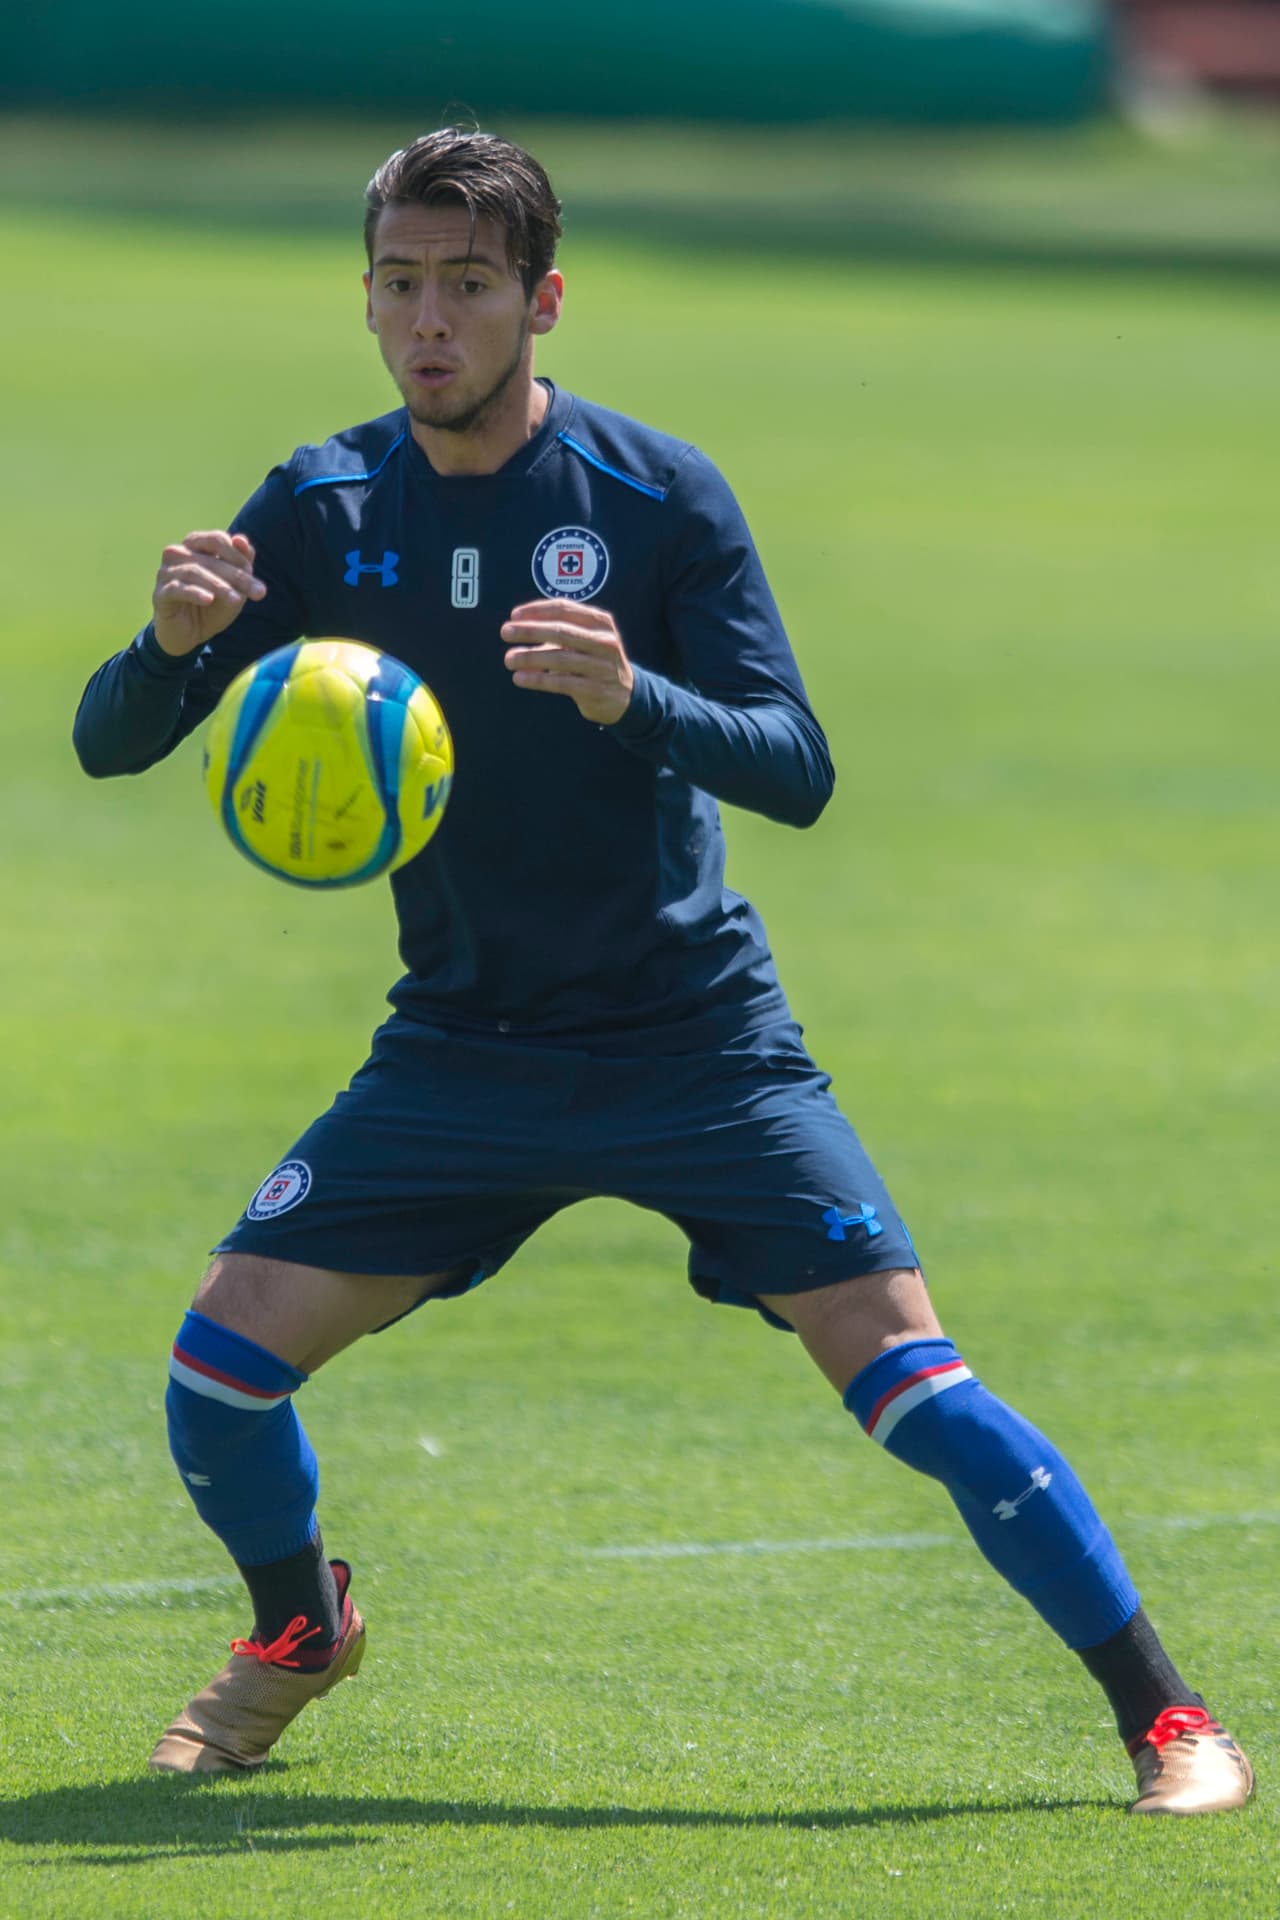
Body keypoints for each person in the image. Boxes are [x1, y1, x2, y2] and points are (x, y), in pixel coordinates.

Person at [74, 129, 1252, 1816]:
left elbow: (798, 765)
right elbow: (111, 741)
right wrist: (169, 649)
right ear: (367, 297)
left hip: (692, 1041)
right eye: (400, 284)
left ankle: (1171, 1721)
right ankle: (298, 1630)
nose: (429, 321)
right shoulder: (326, 508)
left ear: (542, 301)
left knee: (915, 1382)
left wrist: (640, 701)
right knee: (218, 1372)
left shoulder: (651, 498)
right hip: (463, 1046)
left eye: (468, 285)